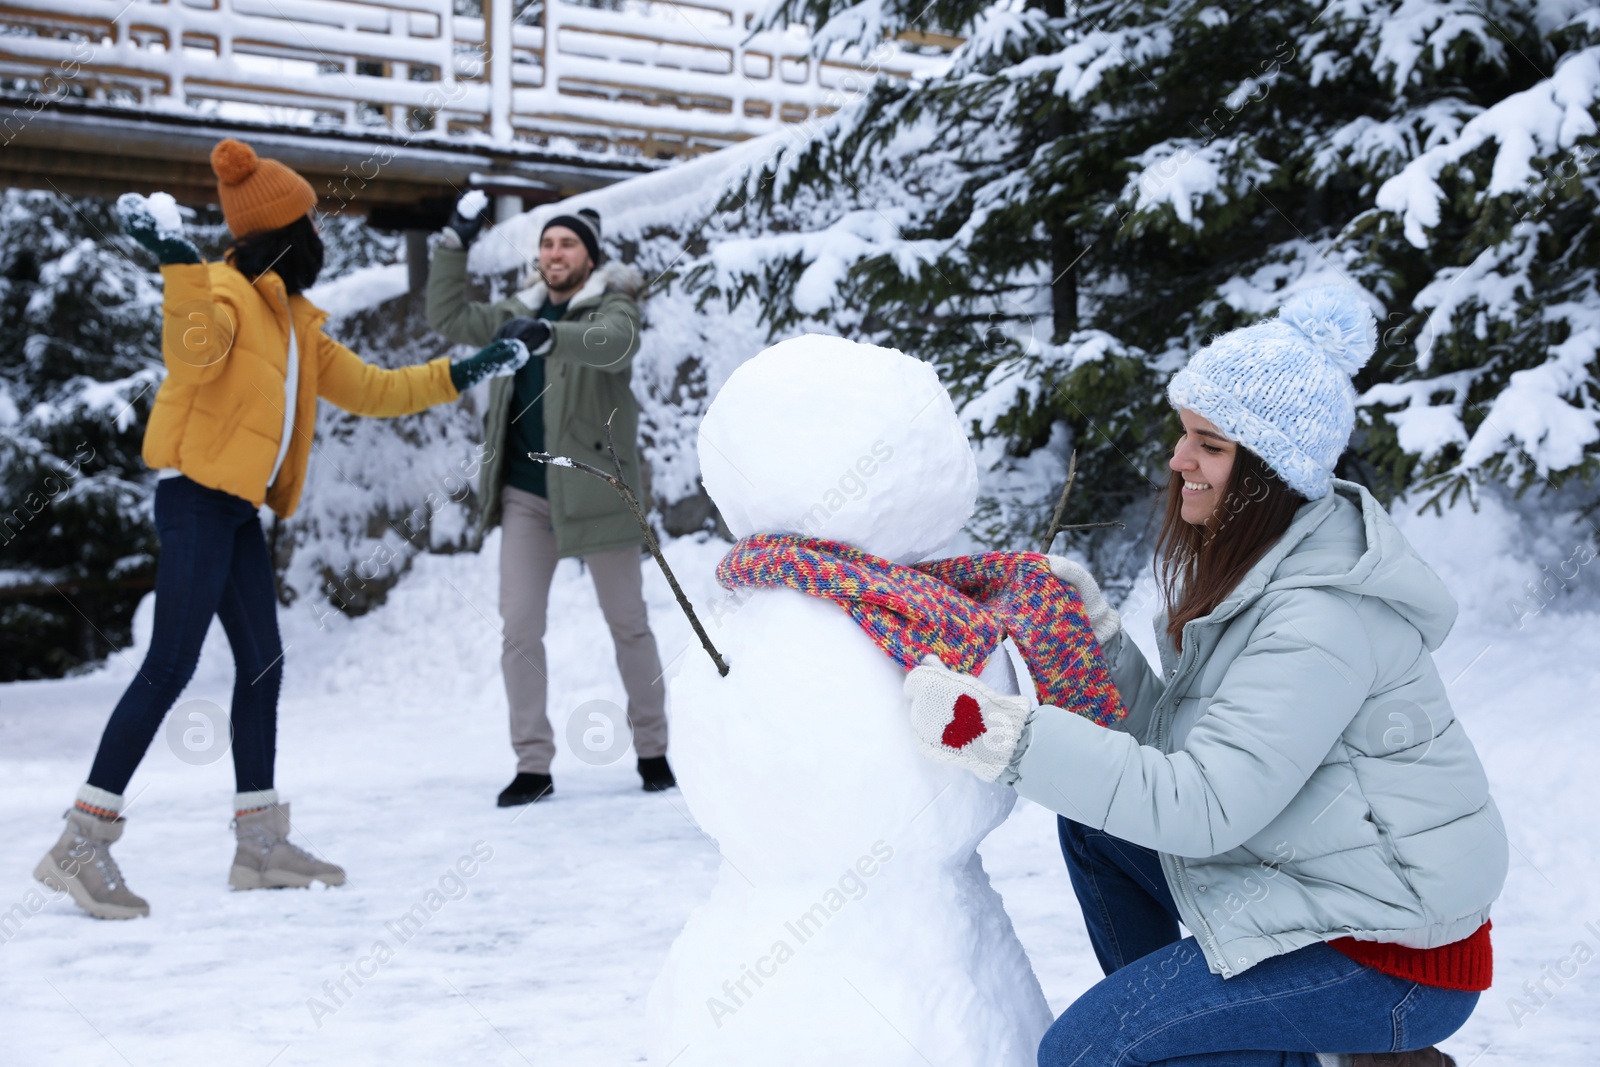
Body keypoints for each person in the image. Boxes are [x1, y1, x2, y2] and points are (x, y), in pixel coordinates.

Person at [903, 287, 1506, 1067]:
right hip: (1312, 887)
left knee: (1083, 1054)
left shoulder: (1318, 615)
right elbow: (1190, 752)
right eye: (1185, 434)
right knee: (1094, 826)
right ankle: (1205, 1041)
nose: (1178, 460)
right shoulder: (1267, 567)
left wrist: (997, 736)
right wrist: (1103, 640)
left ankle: (1267, 1044)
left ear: (1268, 471)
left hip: (1392, 959)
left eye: (1209, 444)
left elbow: (1205, 805)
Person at [33, 139, 529, 920]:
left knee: (262, 667)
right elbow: (191, 356)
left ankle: (259, 843)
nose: (321, 235)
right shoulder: (226, 292)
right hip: (197, 497)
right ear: (285, 231)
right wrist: (178, 266)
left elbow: (375, 388)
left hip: (236, 509)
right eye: (310, 220)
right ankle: (82, 840)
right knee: (169, 666)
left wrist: (472, 367)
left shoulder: (295, 322)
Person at [425, 196, 674, 806]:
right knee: (519, 631)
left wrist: (548, 336)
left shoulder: (614, 306)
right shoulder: (517, 311)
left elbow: (612, 344)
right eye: (547, 244)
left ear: (589, 256)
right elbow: (449, 315)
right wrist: (453, 247)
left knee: (630, 627)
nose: (554, 253)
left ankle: (654, 751)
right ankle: (532, 766)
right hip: (526, 500)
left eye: (567, 244)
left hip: (600, 493)